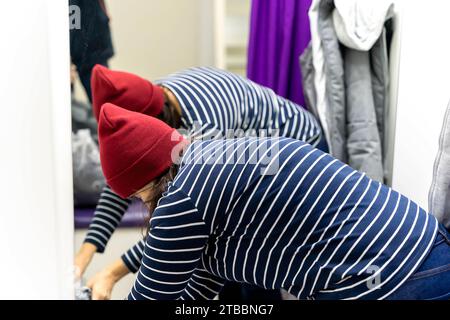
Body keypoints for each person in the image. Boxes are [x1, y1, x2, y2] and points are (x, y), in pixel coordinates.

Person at [97, 103, 449, 300]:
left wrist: (112, 275)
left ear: (143, 182)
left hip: (392, 276)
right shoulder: (208, 159)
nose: (142, 205)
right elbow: (194, 289)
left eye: (135, 196)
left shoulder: (183, 195)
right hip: (425, 250)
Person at [75, 65, 326, 299]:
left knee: (249, 265)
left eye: (139, 195)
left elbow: (178, 228)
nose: (139, 198)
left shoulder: (207, 127)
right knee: (220, 262)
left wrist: (112, 272)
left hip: (298, 151)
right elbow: (125, 181)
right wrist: (82, 258)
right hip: (265, 161)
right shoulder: (151, 98)